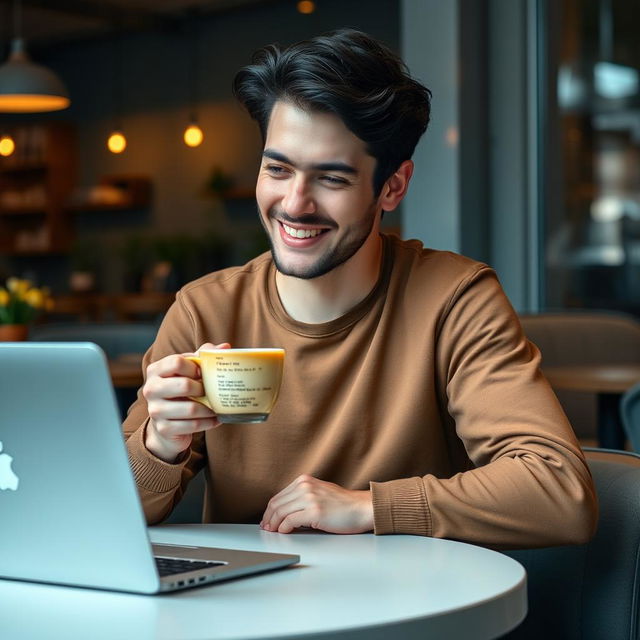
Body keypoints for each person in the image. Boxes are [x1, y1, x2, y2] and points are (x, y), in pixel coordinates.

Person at [124, 29, 597, 547]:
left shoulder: (454, 299)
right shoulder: (203, 310)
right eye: (277, 169)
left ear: (393, 186)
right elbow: (107, 514)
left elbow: (558, 490)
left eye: (331, 179)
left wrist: (370, 506)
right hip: (243, 613)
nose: (295, 203)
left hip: (407, 613)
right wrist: (159, 445)